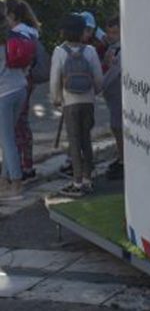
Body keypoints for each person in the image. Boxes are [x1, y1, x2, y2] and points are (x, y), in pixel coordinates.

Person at [50, 14, 102, 197]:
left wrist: (56, 98)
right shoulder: (90, 51)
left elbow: (55, 78)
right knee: (86, 139)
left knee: (74, 141)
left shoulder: (59, 51)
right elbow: (98, 77)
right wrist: (94, 92)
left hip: (70, 102)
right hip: (88, 101)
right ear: (82, 32)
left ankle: (77, 182)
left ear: (63, 32)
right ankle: (88, 178)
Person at [6, 0, 41, 181]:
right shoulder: (31, 32)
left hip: (17, 82)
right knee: (22, 123)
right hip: (28, 80)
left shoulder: (17, 34)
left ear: (12, 16)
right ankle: (27, 164)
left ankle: (17, 168)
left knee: (14, 126)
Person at [0, 1, 27, 200]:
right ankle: (4, 180)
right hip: (20, 88)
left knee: (7, 140)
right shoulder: (12, 36)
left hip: (4, 94)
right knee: (7, 138)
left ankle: (16, 184)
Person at [101, 16, 123, 180]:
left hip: (118, 93)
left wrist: (99, 85)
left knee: (118, 126)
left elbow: (113, 73)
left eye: (115, 32)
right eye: (109, 32)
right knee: (115, 127)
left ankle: (123, 159)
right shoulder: (111, 48)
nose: (111, 36)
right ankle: (120, 155)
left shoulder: (121, 50)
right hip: (111, 95)